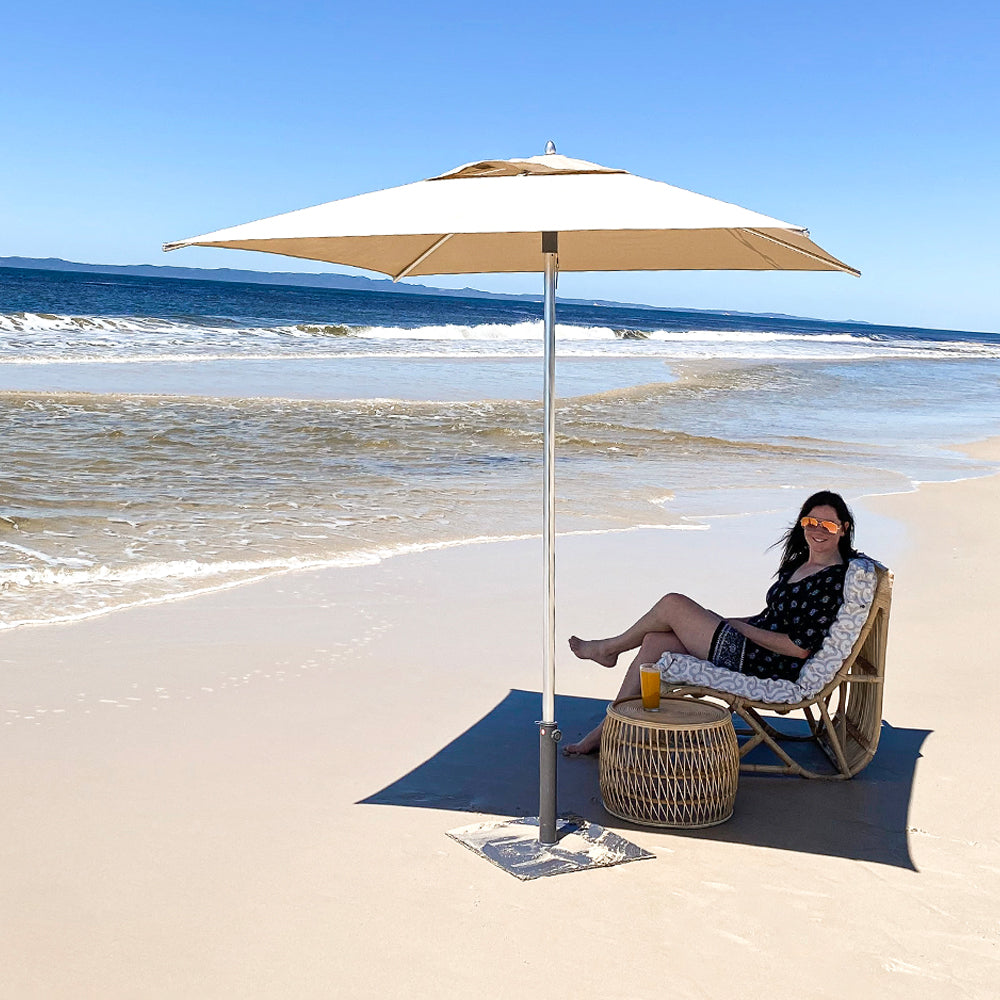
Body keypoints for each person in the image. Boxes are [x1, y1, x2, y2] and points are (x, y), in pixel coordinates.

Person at [563, 490, 858, 756]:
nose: (818, 530)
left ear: (843, 530)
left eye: (829, 525)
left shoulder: (832, 579)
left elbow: (799, 648)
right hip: (753, 647)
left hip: (768, 663)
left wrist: (739, 628)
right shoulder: (800, 565)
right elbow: (772, 619)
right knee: (655, 641)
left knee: (672, 604)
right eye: (811, 521)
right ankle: (607, 729)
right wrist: (730, 623)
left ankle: (609, 649)